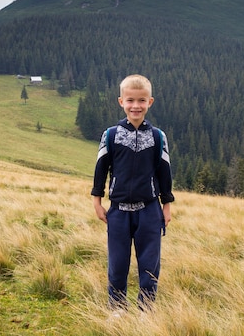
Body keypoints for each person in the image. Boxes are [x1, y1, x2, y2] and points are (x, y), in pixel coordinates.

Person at [91, 74, 174, 311]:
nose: (135, 106)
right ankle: (117, 309)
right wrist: (97, 201)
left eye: (141, 100)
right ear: (121, 102)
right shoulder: (111, 135)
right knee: (117, 264)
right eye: (130, 100)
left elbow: (164, 173)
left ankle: (145, 310)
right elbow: (101, 169)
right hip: (117, 212)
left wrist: (166, 207)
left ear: (150, 102)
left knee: (149, 265)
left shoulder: (158, 137)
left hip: (149, 211)